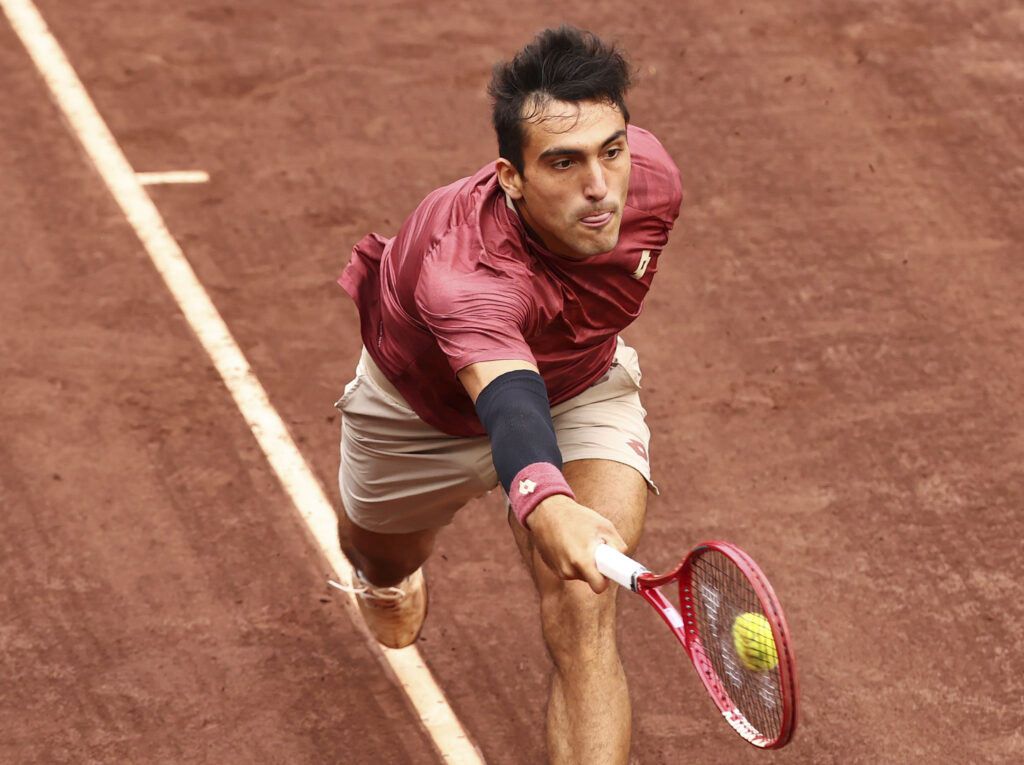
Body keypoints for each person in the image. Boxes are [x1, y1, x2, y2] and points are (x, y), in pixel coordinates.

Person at [334, 25, 683, 764]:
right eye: (564, 162)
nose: (599, 187)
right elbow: (509, 402)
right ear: (511, 177)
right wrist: (545, 498)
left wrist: (556, 500)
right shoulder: (464, 273)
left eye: (610, 151)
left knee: (584, 599)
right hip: (422, 413)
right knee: (381, 554)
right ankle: (386, 575)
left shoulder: (652, 182)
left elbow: (538, 392)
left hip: (581, 385)